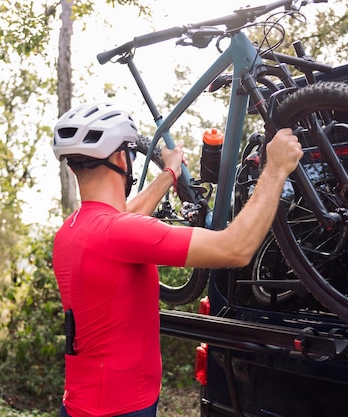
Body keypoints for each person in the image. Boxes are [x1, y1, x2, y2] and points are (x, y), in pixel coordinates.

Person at [51, 102, 302, 417]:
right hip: (121, 410)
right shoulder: (120, 233)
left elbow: (123, 217)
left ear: (74, 167)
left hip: (81, 404)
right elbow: (237, 247)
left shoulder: (71, 232)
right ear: (121, 159)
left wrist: (169, 173)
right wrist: (276, 167)